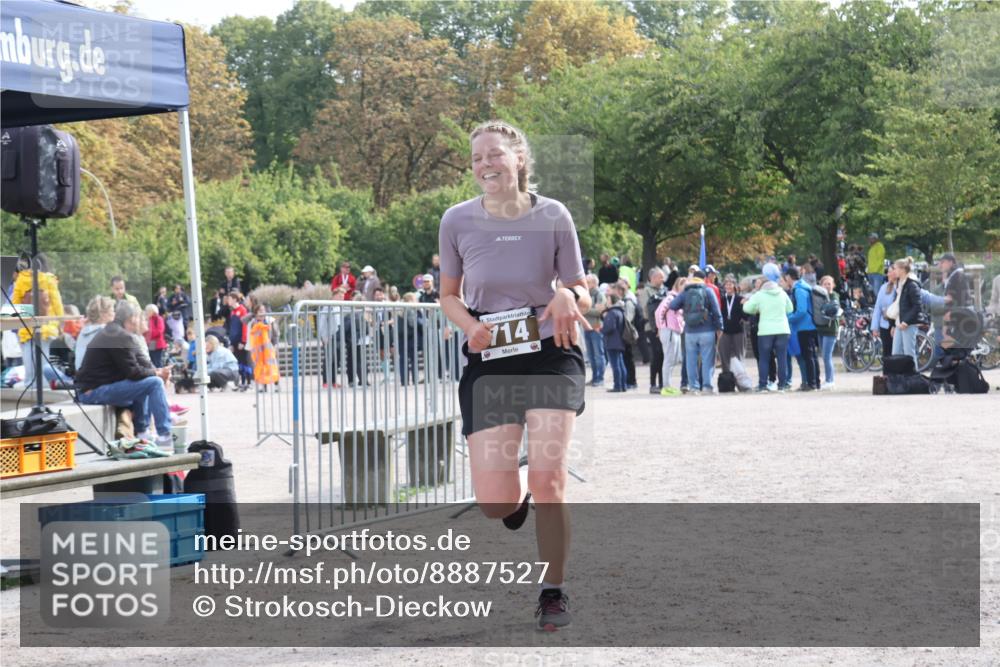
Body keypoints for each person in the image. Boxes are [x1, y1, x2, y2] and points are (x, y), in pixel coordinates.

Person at [438, 120, 591, 631]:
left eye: (496, 154)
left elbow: (580, 289)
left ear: (518, 159)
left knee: (550, 478)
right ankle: (514, 499)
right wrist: (467, 326)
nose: (486, 164)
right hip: (491, 359)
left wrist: (570, 294)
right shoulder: (457, 221)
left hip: (551, 351)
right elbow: (449, 294)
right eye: (477, 157)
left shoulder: (553, 214)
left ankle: (553, 591)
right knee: (493, 502)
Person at [75, 302, 175, 448]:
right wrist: (158, 374)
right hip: (92, 392)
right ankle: (164, 435)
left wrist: (161, 372)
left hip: (96, 388)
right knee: (154, 383)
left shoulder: (118, 332)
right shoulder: (118, 336)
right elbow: (133, 373)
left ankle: (143, 433)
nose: (141, 320)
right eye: (138, 317)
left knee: (149, 381)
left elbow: (143, 363)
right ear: (131, 318)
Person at [11, 255, 70, 389]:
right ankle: (44, 392)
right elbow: (57, 303)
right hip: (46, 328)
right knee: (44, 366)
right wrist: (61, 324)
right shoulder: (49, 279)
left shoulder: (21, 280)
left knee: (29, 368)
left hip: (26, 329)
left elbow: (14, 305)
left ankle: (30, 390)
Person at [668, 270, 723, 394]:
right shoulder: (708, 290)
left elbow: (672, 306)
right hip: (707, 330)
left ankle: (693, 387)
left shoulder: (685, 292)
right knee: (707, 359)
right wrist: (720, 327)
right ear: (704, 279)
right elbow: (716, 310)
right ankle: (707, 387)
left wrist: (685, 307)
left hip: (690, 332)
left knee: (691, 360)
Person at [741, 270, 794, 391]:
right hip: (782, 329)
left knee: (764, 358)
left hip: (765, 331)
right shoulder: (782, 293)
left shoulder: (759, 295)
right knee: (782, 358)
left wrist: (756, 308)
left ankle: (763, 384)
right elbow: (790, 308)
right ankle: (782, 385)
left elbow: (747, 308)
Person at [786, 266, 821, 391]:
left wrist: (788, 317)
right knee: (812, 356)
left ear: (789, 277)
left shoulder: (799, 290)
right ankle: (816, 382)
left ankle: (811, 383)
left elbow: (801, 310)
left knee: (808, 356)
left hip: (804, 327)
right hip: (810, 325)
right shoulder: (804, 287)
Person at [655, 276, 686, 396]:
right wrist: (661, 326)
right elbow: (658, 312)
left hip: (675, 332)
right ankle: (666, 387)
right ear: (678, 286)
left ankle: (668, 385)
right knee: (668, 359)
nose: (685, 287)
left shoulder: (679, 299)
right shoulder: (671, 298)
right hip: (669, 331)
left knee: (674, 359)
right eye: (683, 285)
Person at [890, 257, 923, 366]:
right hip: (900, 322)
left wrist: (906, 321)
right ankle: (898, 379)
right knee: (896, 353)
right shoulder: (900, 284)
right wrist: (894, 325)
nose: (894, 271)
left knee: (909, 354)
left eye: (895, 269)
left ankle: (914, 379)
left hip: (908, 324)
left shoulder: (912, 285)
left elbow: (918, 306)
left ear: (902, 269)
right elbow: (898, 306)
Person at [639, 268, 667, 393]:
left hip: (665, 327)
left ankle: (662, 383)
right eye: (659, 277)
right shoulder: (646, 291)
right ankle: (653, 383)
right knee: (656, 355)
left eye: (663, 277)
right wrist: (655, 326)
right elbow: (646, 310)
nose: (662, 279)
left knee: (663, 355)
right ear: (652, 278)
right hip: (652, 328)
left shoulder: (664, 290)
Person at [75, 295, 116, 372]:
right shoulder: (106, 332)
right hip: (99, 380)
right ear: (103, 314)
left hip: (80, 377)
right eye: (112, 311)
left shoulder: (82, 332)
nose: (114, 314)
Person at [718, 274, 746, 374]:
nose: (728, 287)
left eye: (730, 284)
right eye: (726, 284)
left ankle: (741, 379)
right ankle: (727, 381)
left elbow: (746, 317)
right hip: (724, 332)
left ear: (734, 286)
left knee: (739, 356)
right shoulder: (721, 300)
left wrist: (745, 305)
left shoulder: (740, 299)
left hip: (738, 331)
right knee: (724, 357)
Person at [816, 275, 840, 389]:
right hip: (821, 329)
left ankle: (830, 380)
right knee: (824, 355)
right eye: (825, 284)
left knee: (827, 356)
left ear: (833, 285)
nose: (827, 286)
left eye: (829, 283)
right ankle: (828, 379)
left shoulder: (834, 296)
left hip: (831, 330)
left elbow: (834, 310)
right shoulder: (819, 296)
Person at [871, 263, 898, 365]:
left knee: (895, 353)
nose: (889, 274)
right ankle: (887, 376)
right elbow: (877, 307)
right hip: (884, 324)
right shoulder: (884, 288)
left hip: (896, 325)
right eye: (888, 272)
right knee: (886, 353)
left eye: (891, 271)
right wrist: (875, 327)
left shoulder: (901, 287)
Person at [582, 274, 606, 387]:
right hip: (587, 328)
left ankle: (600, 378)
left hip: (596, 328)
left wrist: (584, 310)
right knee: (591, 355)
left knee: (598, 354)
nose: (585, 284)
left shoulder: (599, 294)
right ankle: (594, 377)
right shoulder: (585, 294)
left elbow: (599, 311)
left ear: (594, 283)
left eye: (588, 282)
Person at [601, 292, 627, 392]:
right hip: (619, 341)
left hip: (612, 341)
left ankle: (617, 386)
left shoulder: (612, 312)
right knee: (621, 364)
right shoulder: (620, 311)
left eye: (607, 300)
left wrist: (602, 330)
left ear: (612, 301)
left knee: (615, 365)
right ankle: (623, 385)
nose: (606, 302)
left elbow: (609, 327)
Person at [143, 304, 167, 368]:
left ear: (152, 311)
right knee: (152, 362)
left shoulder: (159, 319)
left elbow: (159, 331)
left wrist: (148, 332)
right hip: (150, 343)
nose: (146, 312)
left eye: (148, 311)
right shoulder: (147, 319)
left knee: (157, 362)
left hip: (157, 344)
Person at [867, 233, 886, 297]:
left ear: (875, 239)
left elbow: (880, 259)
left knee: (877, 291)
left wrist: (876, 269)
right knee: (873, 291)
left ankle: (881, 305)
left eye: (871, 238)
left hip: (877, 273)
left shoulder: (880, 246)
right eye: (869, 238)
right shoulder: (871, 248)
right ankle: (876, 305)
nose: (870, 240)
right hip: (870, 272)